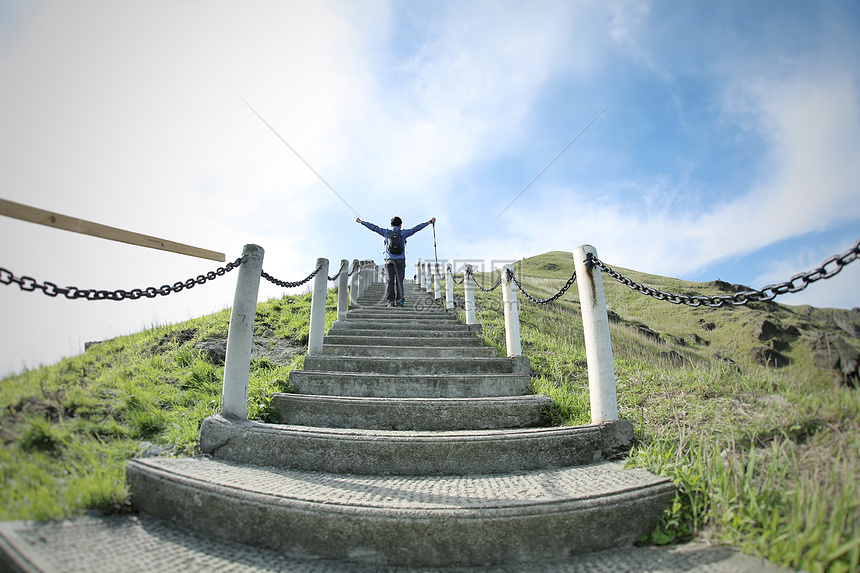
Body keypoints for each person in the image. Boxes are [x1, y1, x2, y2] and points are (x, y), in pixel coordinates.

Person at [356, 216, 436, 307]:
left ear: (391, 225)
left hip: (390, 261)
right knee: (399, 281)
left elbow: (374, 228)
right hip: (400, 261)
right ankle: (400, 301)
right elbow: (416, 229)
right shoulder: (404, 233)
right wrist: (428, 222)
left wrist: (362, 222)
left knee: (390, 281)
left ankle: (390, 301)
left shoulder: (386, 232)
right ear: (400, 225)